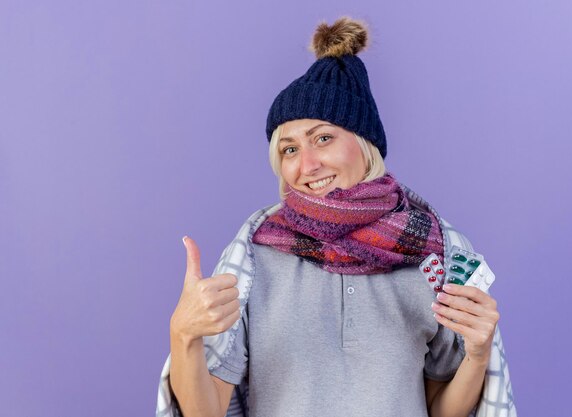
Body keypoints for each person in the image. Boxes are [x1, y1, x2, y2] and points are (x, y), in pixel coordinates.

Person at [157, 16, 515, 417]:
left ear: (364, 145)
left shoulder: (434, 250)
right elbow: (206, 411)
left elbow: (440, 410)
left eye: (323, 138)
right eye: (289, 149)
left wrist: (478, 355)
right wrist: (183, 334)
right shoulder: (255, 252)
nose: (306, 164)